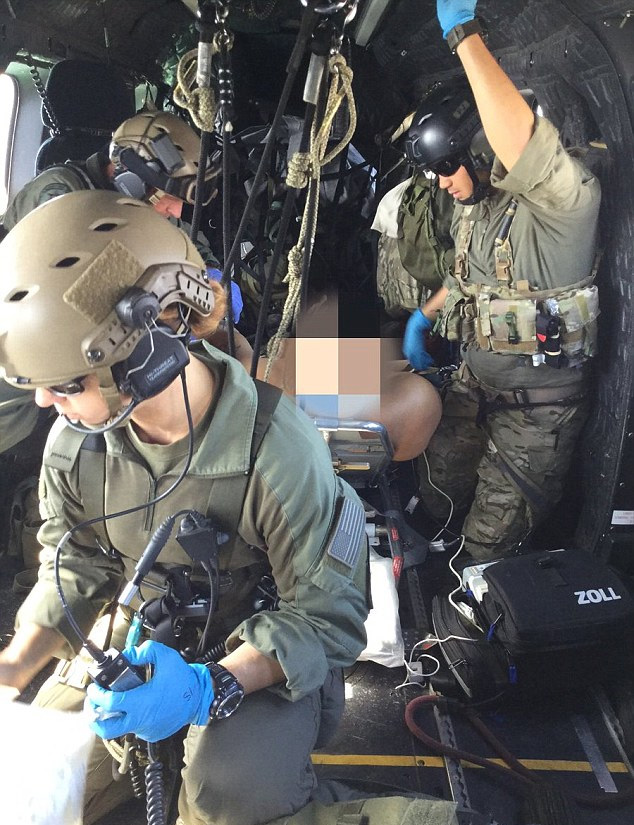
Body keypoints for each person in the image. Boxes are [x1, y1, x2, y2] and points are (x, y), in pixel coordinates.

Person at [0, 190, 370, 825]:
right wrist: (12, 667)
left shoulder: (281, 454)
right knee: (34, 785)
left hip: (261, 647)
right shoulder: (78, 441)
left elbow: (328, 619)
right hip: (140, 631)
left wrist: (207, 687)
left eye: (65, 384)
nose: (43, 405)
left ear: (145, 356)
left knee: (229, 800)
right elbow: (78, 562)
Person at [401, 0, 601, 559]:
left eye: (445, 166)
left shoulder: (563, 201)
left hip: (536, 414)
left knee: (487, 549)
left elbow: (523, 145)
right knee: (431, 493)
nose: (440, 183)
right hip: (473, 387)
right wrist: (426, 316)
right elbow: (466, 280)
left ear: (477, 148)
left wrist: (464, 34)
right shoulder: (477, 207)